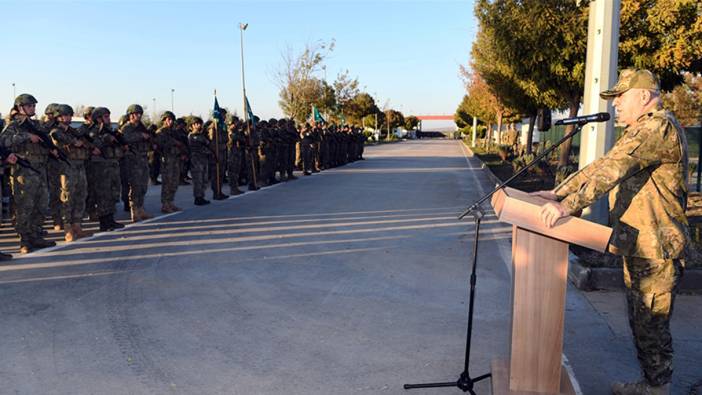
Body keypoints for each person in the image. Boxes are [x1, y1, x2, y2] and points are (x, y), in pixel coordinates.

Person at [532, 69, 688, 395]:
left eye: (621, 97)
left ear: (643, 96)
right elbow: (601, 166)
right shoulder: (639, 130)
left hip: (657, 245)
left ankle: (658, 388)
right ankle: (650, 383)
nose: (616, 104)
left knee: (652, 321)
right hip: (640, 242)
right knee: (640, 320)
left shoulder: (657, 128)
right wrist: (559, 193)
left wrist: (567, 206)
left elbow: (614, 172)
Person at [0, 94, 56, 253]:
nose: (33, 108)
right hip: (24, 170)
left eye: (33, 106)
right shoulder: (13, 125)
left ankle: (36, 236)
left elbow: (46, 135)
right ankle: (25, 240)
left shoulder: (36, 124)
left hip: (40, 168)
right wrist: (26, 136)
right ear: (20, 107)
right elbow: (3, 141)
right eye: (29, 106)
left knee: (42, 204)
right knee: (25, 205)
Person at [49, 104, 101, 241]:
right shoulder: (56, 130)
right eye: (65, 115)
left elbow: (85, 142)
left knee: (81, 195)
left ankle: (77, 225)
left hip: (79, 165)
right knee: (67, 197)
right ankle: (68, 228)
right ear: (58, 117)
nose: (68, 117)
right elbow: (58, 137)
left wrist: (89, 145)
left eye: (69, 115)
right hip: (66, 167)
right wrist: (75, 141)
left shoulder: (73, 131)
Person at [87, 107, 125, 231]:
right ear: (98, 119)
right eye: (106, 116)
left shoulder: (109, 131)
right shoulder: (94, 132)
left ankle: (111, 219)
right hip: (101, 167)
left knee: (113, 192)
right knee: (103, 194)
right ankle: (104, 222)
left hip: (112, 164)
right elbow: (93, 145)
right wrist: (106, 139)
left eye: (109, 116)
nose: (108, 118)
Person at [119, 104, 153, 222]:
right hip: (132, 160)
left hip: (143, 159)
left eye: (139, 114)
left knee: (143, 186)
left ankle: (141, 208)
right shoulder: (127, 128)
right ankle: (134, 211)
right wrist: (140, 135)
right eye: (136, 114)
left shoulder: (142, 127)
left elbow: (149, 139)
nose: (138, 116)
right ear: (131, 115)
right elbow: (125, 138)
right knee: (135, 186)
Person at [155, 111, 185, 213]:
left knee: (174, 182)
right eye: (168, 119)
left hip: (175, 159)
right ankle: (165, 204)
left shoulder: (174, 132)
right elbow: (160, 144)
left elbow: (181, 143)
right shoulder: (161, 132)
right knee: (167, 183)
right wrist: (174, 142)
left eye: (172, 119)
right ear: (164, 120)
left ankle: (171, 202)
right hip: (167, 160)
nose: (170, 121)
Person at [187, 116, 211, 206]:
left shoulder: (201, 135)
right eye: (196, 124)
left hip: (203, 159)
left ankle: (202, 196)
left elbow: (207, 144)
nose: (198, 125)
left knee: (204, 179)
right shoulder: (191, 136)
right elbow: (199, 146)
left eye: (199, 123)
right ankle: (198, 197)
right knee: (198, 180)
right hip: (196, 160)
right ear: (192, 125)